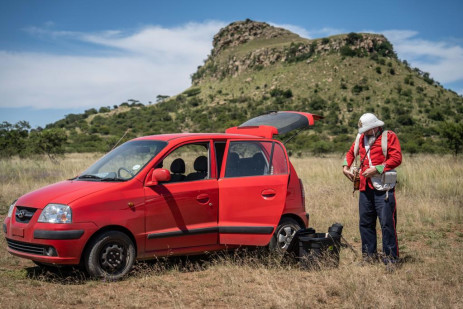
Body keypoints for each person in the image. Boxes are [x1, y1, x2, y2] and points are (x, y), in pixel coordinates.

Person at [342, 113, 402, 266]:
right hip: (364, 187)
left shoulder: (389, 137)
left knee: (387, 224)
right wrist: (345, 167)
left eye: (367, 130)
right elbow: (350, 154)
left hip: (383, 188)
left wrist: (376, 169)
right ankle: (369, 256)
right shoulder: (360, 138)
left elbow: (396, 158)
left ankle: (391, 258)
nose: (365, 133)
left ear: (376, 127)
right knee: (365, 223)